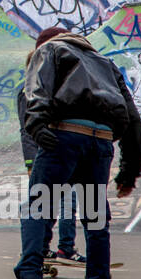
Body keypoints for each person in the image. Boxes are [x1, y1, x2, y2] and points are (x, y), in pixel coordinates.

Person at [11, 26, 141, 279]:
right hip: (100, 143)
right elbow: (134, 120)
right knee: (96, 223)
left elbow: (37, 89)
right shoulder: (105, 63)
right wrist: (129, 172)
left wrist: (37, 126)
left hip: (64, 137)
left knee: (38, 208)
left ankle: (30, 276)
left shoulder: (48, 50)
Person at [17, 80, 83, 263]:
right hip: (44, 156)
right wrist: (30, 162)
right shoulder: (27, 90)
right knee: (47, 204)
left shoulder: (55, 85)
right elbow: (26, 129)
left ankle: (60, 248)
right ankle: (43, 249)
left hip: (63, 152)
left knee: (66, 201)